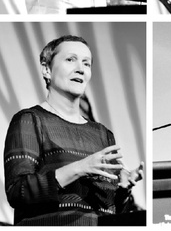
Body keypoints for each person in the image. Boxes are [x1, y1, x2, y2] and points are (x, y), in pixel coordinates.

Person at [3, 35, 143, 225]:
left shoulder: (103, 134)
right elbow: (17, 191)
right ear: (46, 69)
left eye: (87, 63)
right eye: (70, 59)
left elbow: (111, 211)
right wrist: (80, 168)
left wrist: (123, 188)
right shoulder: (30, 120)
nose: (80, 68)